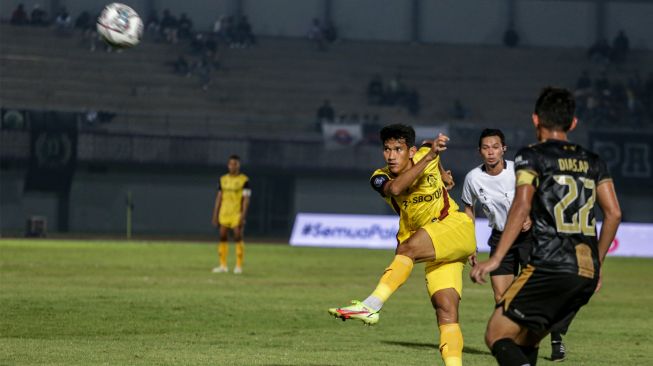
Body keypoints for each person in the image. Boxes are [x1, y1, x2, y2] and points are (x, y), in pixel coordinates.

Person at [470, 87, 621, 365]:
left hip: (548, 265)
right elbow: (613, 214)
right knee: (528, 337)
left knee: (496, 334)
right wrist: (597, 263)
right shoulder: (594, 161)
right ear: (573, 123)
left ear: (535, 120)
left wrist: (496, 259)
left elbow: (522, 205)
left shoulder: (533, 156)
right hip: (584, 272)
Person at [328, 124, 476, 366]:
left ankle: (371, 306)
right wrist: (433, 160)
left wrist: (441, 171)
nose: (391, 155)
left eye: (398, 149)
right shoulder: (380, 177)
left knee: (406, 248)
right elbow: (396, 188)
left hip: (454, 226)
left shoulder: (425, 153)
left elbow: (430, 145)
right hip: (435, 246)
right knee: (445, 310)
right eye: (387, 149)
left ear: (411, 151)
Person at [461, 128, 570, 361]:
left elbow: (540, 194)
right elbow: (469, 210)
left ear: (503, 149)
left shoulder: (518, 170)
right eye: (485, 147)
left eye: (495, 147)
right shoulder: (473, 178)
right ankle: (514, 341)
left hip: (530, 237)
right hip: (501, 238)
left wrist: (530, 215)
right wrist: (470, 243)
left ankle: (556, 337)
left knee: (537, 292)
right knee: (501, 296)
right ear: (479, 151)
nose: (490, 152)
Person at [211, 155, 251, 274]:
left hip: (236, 212)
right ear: (228, 165)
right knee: (222, 236)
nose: (233, 166)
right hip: (224, 212)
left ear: (239, 165)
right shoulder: (222, 179)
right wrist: (215, 214)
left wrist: (243, 215)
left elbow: (246, 199)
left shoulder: (244, 180)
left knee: (238, 236)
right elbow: (219, 198)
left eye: (235, 164)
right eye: (231, 164)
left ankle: (238, 266)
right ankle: (223, 265)